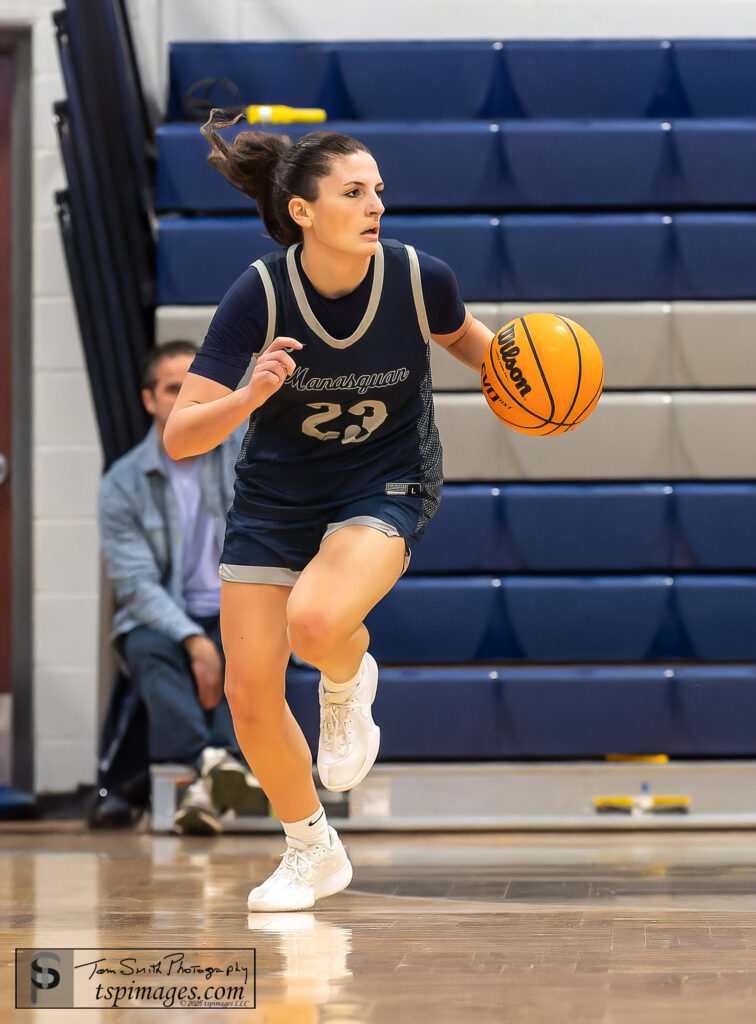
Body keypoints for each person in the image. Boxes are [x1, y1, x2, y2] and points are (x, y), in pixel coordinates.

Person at [163, 113, 494, 910]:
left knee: (316, 624)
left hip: (385, 479)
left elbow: (486, 353)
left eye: (378, 190)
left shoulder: (421, 279)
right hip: (277, 495)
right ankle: (312, 847)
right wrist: (251, 395)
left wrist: (542, 380)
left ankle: (347, 680)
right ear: (304, 211)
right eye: (354, 192)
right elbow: (180, 436)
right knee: (249, 691)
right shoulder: (260, 293)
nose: (375, 204)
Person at [98, 340, 263, 835]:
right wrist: (193, 639)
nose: (187, 398)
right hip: (167, 614)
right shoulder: (122, 482)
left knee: (247, 643)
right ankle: (216, 760)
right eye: (174, 389)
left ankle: (200, 781)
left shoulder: (248, 454)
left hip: (240, 605)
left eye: (197, 386)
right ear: (149, 400)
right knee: (147, 644)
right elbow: (135, 586)